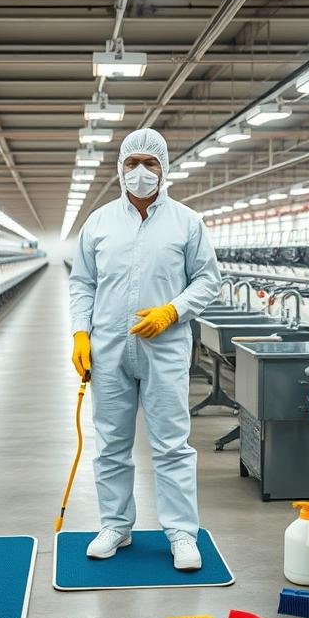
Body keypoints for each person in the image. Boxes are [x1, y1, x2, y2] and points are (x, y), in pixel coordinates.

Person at [68, 128, 221, 571]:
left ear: (164, 168)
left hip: (165, 348)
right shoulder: (98, 223)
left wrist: (173, 311)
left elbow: (209, 280)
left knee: (172, 444)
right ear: (120, 169)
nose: (140, 172)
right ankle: (115, 525)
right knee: (112, 443)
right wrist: (81, 333)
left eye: (149, 164)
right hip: (108, 348)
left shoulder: (186, 222)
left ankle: (181, 533)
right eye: (131, 163)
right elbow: (82, 284)